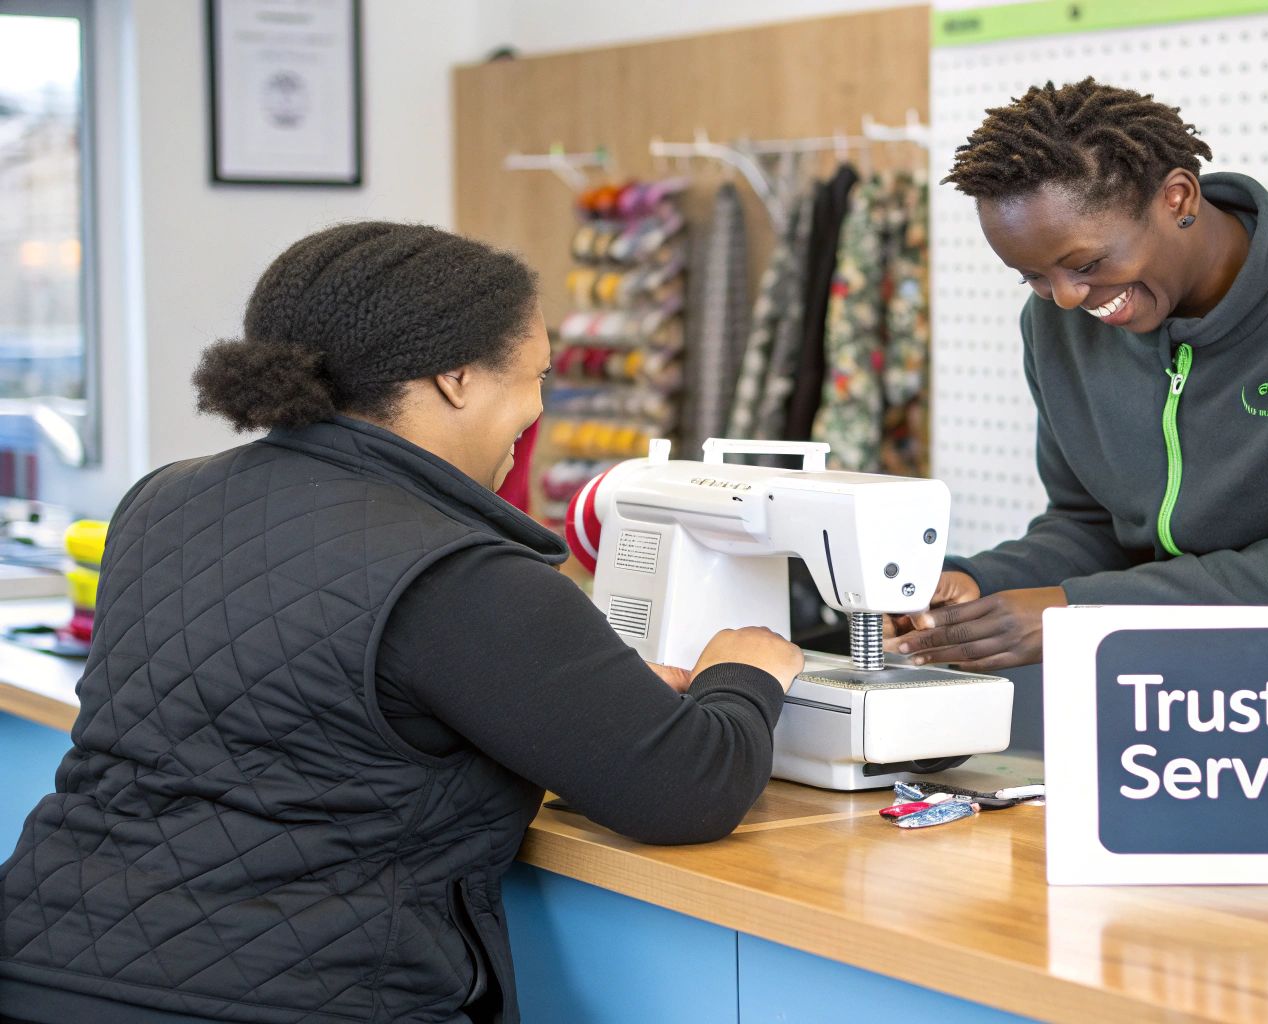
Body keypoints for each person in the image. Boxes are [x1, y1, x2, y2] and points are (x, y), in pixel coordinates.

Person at [0, 222, 802, 1024]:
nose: (539, 409)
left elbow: (305, 716)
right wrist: (745, 671)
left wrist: (591, 703)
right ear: (456, 377)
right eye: (534, 376)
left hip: (41, 964)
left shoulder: (162, 500)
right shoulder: (460, 568)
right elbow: (688, 789)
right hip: (295, 998)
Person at [891, 79, 1268, 829]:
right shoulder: (1060, 325)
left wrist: (1076, 613)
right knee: (1175, 941)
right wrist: (976, 583)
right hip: (1170, 687)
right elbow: (1089, 521)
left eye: (1086, 263)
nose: (1068, 300)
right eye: (1033, 277)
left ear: (1176, 197)